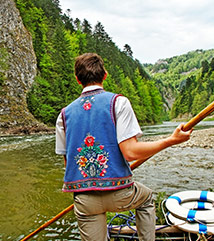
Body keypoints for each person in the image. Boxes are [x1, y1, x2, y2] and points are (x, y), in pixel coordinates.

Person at [55, 53, 192, 241]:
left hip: (85, 200)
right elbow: (130, 152)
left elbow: (67, 161)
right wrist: (170, 140)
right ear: (104, 75)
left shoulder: (63, 115)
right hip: (121, 194)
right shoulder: (118, 102)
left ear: (78, 80)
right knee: (146, 198)